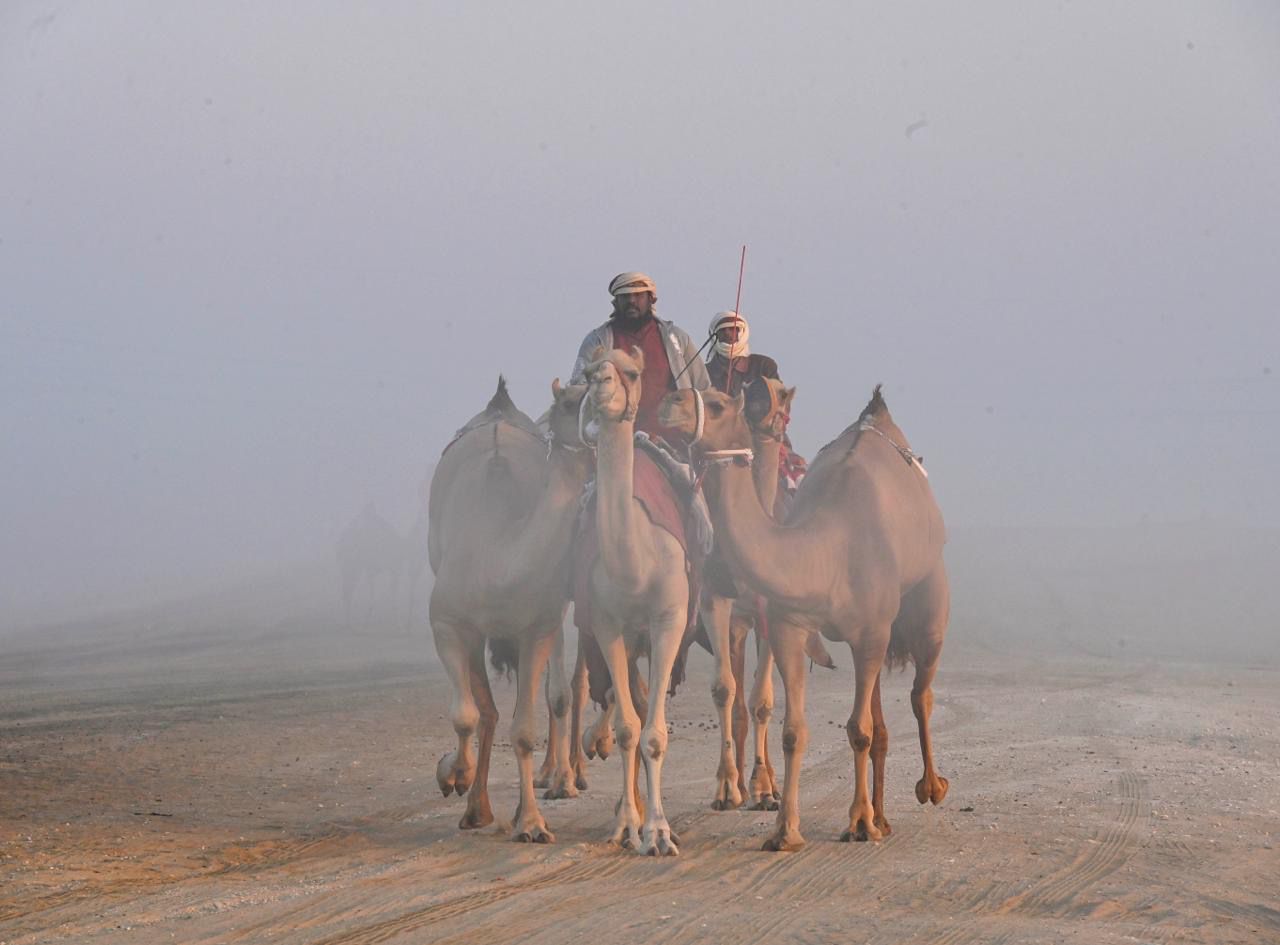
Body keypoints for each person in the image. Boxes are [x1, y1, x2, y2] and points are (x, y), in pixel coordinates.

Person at [571, 272, 711, 438]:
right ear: (616, 302)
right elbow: (578, 389)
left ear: (651, 299)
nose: (631, 301)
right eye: (625, 296)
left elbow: (703, 389)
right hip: (617, 439)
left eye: (638, 295)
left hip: (674, 441)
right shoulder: (597, 341)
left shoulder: (676, 339)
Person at [705, 311, 807, 503]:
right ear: (714, 335)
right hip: (721, 447)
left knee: (796, 481)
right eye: (723, 331)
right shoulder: (705, 373)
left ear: (742, 333)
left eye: (733, 330)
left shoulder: (763, 366)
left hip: (764, 439)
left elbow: (780, 403)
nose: (728, 335)